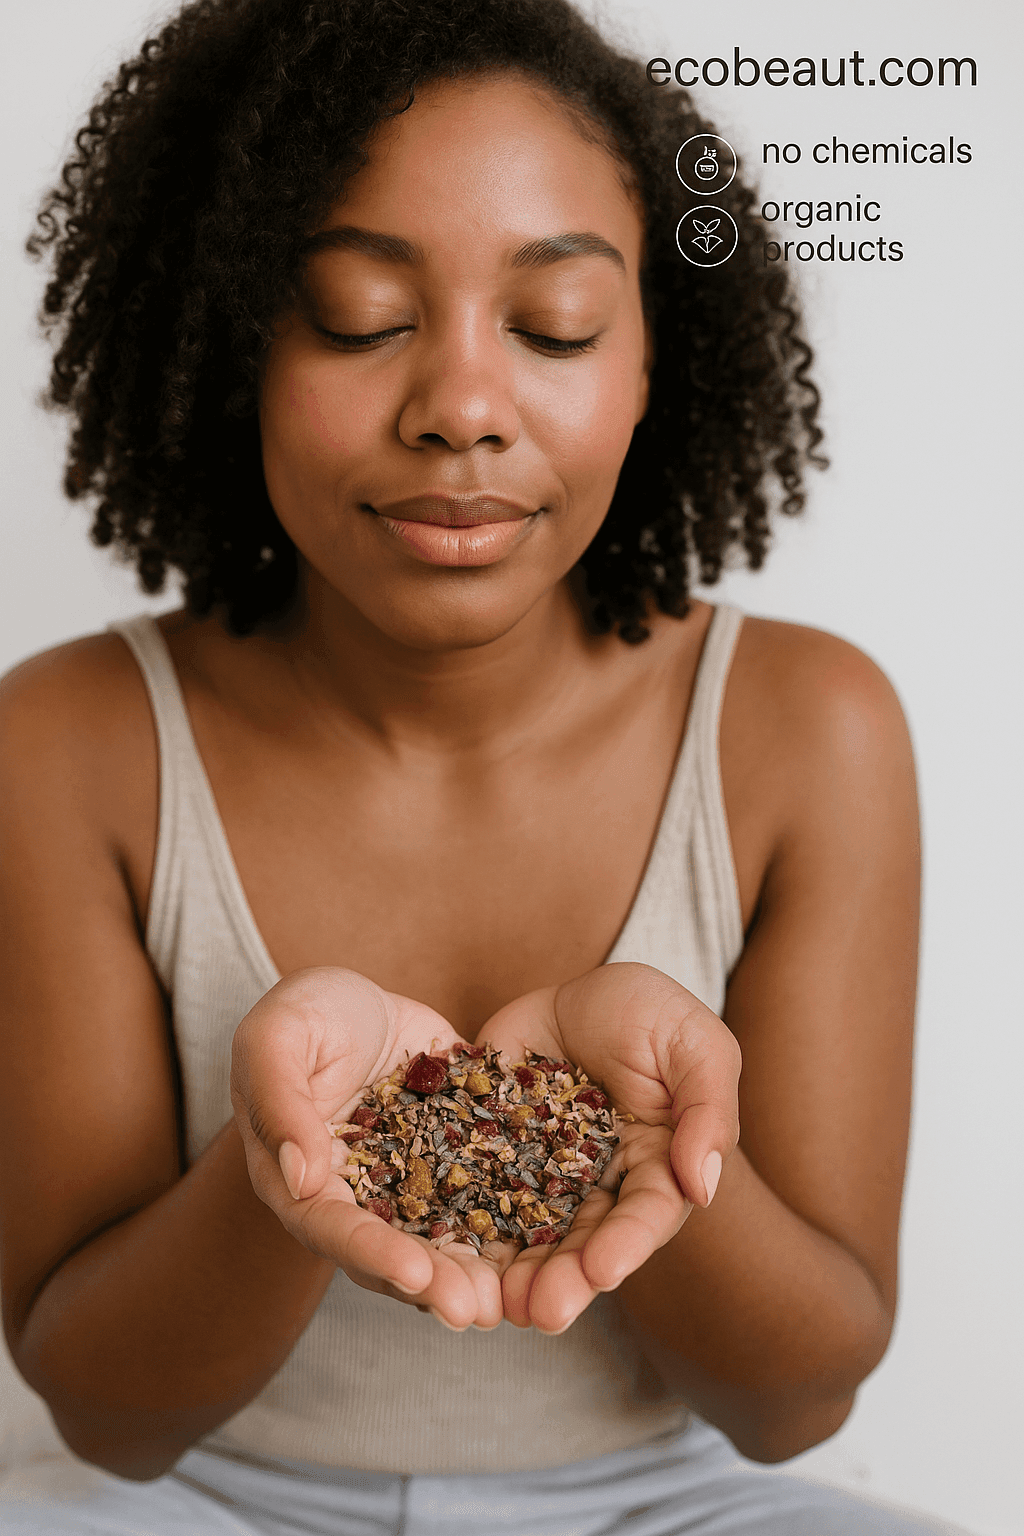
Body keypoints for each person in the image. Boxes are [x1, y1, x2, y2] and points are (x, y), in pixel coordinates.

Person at [0, 0, 972, 1531]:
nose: (459, 405)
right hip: (209, 1498)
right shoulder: (70, 743)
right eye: (357, 314)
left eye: (556, 327)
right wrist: (281, 1165)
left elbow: (801, 1405)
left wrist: (640, 1141)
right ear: (231, 343)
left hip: (674, 1501)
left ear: (656, 360)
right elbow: (107, 1422)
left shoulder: (805, 727)